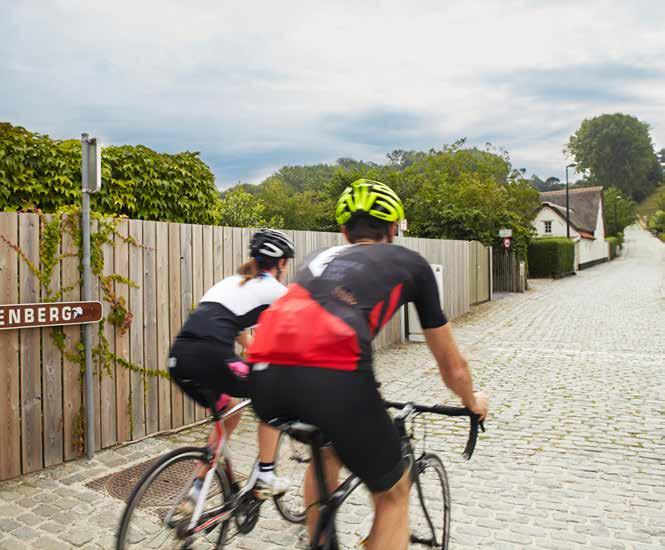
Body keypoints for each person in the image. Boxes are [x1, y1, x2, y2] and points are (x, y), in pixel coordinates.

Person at [248, 179, 489, 550]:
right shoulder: (411, 263)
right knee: (393, 494)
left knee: (325, 451)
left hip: (264, 379)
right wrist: (473, 401)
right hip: (335, 380)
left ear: (344, 231)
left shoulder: (316, 258)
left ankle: (318, 542)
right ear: (394, 229)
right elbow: (451, 365)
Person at [168, 228, 295, 505]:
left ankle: (197, 489)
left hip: (179, 357)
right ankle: (265, 476)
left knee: (229, 413)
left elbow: (235, 329)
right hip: (212, 355)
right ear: (282, 263)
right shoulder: (275, 290)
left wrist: (252, 349)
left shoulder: (231, 282)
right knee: (273, 400)